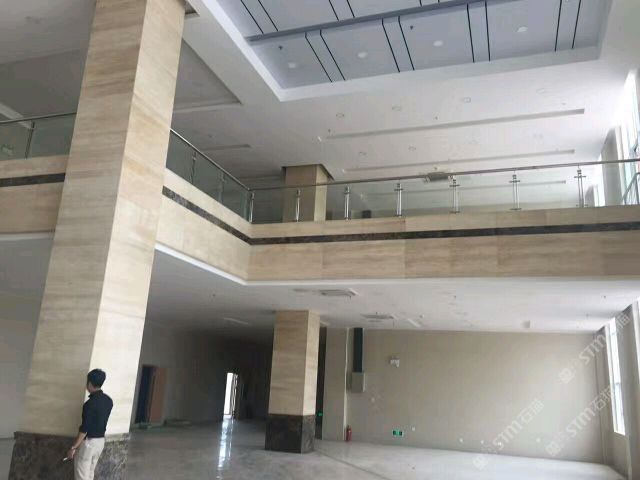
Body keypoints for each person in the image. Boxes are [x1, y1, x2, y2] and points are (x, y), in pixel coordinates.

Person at [66, 369, 113, 480]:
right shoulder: (108, 401)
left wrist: (73, 447)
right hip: (100, 442)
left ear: (90, 383)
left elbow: (84, 429)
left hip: (89, 444)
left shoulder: (89, 404)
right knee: (90, 474)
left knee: (82, 476)